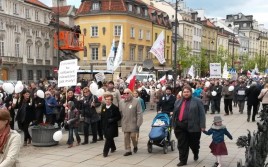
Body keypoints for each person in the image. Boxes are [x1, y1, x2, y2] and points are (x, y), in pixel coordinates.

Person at [172, 85, 206, 166]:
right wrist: (173, 124)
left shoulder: (197, 101)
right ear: (182, 93)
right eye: (184, 92)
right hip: (180, 126)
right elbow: (175, 114)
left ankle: (195, 152)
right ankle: (183, 160)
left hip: (194, 127)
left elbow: (202, 114)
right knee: (182, 144)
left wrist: (202, 125)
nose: (186, 93)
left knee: (194, 144)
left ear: (191, 92)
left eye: (188, 92)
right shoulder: (178, 101)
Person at [119, 88, 143, 156]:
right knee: (126, 137)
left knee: (133, 136)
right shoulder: (121, 102)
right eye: (124, 93)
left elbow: (139, 113)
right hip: (125, 122)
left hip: (133, 123)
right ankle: (128, 150)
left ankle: (135, 146)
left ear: (130, 93)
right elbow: (120, 112)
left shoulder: (136, 101)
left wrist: (138, 124)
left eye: (127, 93)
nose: (126, 94)